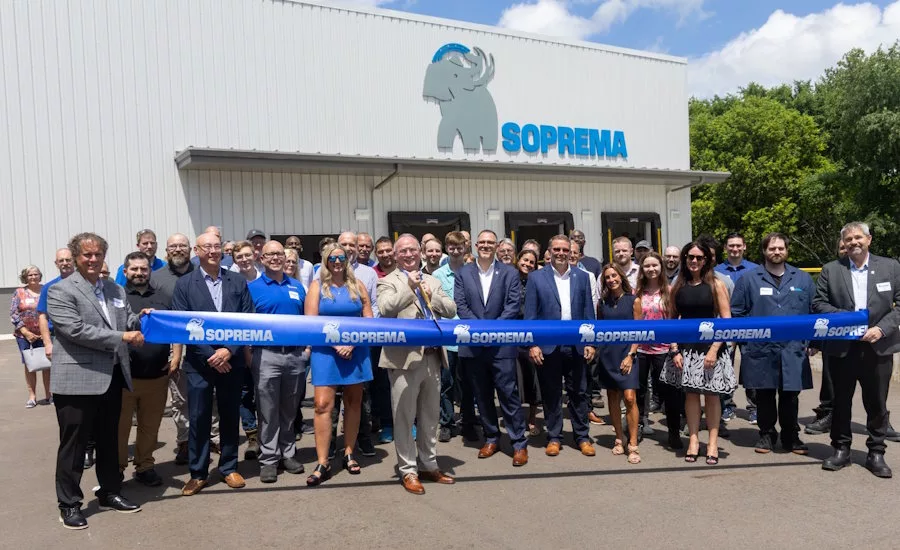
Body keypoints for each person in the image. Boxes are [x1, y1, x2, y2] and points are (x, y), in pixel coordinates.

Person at [47, 232, 146, 529]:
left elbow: (126, 320)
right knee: (74, 446)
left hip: (112, 378)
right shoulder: (60, 291)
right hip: (77, 380)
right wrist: (122, 336)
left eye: (98, 254)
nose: (93, 259)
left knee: (108, 442)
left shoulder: (115, 290)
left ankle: (110, 491)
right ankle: (69, 504)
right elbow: (75, 331)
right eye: (86, 255)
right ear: (76, 257)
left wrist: (143, 318)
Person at [813, 222, 900, 478]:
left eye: (858, 237)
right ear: (844, 243)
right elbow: (819, 304)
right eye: (848, 239)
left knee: (877, 403)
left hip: (878, 346)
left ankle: (876, 452)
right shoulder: (831, 270)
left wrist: (881, 329)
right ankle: (841, 449)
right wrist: (849, 321)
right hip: (842, 347)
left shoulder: (890, 267)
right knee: (840, 401)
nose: (853, 242)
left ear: (869, 239)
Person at [172, 231, 254, 496]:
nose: (212, 251)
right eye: (207, 247)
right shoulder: (185, 284)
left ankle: (229, 467)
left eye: (217, 246)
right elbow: (183, 326)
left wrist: (228, 352)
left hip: (232, 361)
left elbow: (247, 319)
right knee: (198, 418)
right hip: (199, 364)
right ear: (197, 250)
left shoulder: (237, 281)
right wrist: (211, 354)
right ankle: (198, 473)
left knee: (231, 415)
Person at [377, 234, 457, 494]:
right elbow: (386, 309)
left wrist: (431, 296)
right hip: (404, 359)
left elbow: (451, 308)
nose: (409, 255)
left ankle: (428, 464)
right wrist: (409, 288)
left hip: (433, 357)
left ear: (421, 253)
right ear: (396, 256)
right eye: (403, 251)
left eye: (413, 250)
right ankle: (408, 470)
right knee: (404, 416)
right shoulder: (387, 281)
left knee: (430, 416)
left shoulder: (433, 280)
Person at [731, 233, 814, 455]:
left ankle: (791, 437)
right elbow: (736, 313)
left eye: (780, 249)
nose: (776, 252)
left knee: (790, 395)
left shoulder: (803, 279)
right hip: (760, 348)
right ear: (764, 251)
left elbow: (813, 312)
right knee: (764, 395)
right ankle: (766, 435)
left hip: (792, 348)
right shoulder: (748, 279)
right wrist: (746, 343)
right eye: (772, 249)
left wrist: (812, 342)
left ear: (787, 250)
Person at [455, 230, 529, 467]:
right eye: (482, 243)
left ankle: (519, 443)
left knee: (508, 394)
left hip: (501, 345)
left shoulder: (509, 272)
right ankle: (492, 437)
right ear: (475, 245)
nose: (486, 246)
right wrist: (479, 331)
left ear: (496, 246)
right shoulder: (464, 272)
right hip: (474, 346)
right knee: (482, 395)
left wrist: (492, 330)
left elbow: (513, 305)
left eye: (490, 243)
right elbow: (461, 305)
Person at [658, 241, 735, 465]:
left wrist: (714, 349)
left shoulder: (717, 285)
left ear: (706, 260)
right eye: (690, 257)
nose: (694, 261)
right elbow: (671, 321)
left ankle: (711, 443)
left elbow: (726, 321)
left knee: (712, 397)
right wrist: (674, 350)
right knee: (690, 396)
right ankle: (693, 441)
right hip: (686, 351)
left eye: (698, 258)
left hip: (712, 350)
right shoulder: (677, 286)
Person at [304, 243, 374, 486]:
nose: (336, 262)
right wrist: (337, 345)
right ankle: (323, 461)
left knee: (353, 403)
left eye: (341, 257)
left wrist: (352, 344)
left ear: (347, 260)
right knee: (323, 405)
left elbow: (369, 321)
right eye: (332, 258)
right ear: (325, 261)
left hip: (356, 351)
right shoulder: (316, 287)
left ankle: (348, 452)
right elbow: (311, 323)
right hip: (326, 351)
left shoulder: (358, 285)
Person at [524, 235, 597, 457]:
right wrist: (533, 344)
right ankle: (554, 437)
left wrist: (591, 341)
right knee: (551, 393)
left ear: (572, 252)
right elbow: (530, 316)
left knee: (579, 392)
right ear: (549, 251)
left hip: (576, 344)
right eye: (557, 249)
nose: (561, 253)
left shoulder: (582, 278)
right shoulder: (536, 278)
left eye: (565, 250)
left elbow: (588, 313)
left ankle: (582, 437)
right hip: (548, 345)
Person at [151, 233, 219, 466]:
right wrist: (175, 353)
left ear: (191, 249)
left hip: (206, 341)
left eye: (182, 246)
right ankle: (184, 440)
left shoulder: (203, 272)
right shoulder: (155, 278)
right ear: (166, 251)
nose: (178, 249)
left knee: (210, 395)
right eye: (173, 246)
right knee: (180, 398)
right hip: (174, 343)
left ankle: (212, 437)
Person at [248, 241, 308, 483]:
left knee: (290, 408)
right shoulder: (251, 288)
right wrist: (249, 356)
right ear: (261, 259)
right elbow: (245, 325)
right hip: (266, 355)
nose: (275, 258)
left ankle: (288, 453)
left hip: (295, 355)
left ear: (286, 258)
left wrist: (307, 350)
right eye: (269, 254)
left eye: (279, 254)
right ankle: (269, 459)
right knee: (267, 409)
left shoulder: (297, 287)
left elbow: (307, 320)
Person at [119, 252, 172, 487]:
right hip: (124, 376)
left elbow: (174, 329)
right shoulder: (116, 298)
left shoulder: (162, 297)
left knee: (150, 427)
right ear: (125, 272)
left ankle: (145, 466)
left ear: (150, 271)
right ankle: (117, 468)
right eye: (134, 269)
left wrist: (176, 357)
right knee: (119, 428)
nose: (139, 273)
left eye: (144, 269)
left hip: (157, 375)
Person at [632, 252, 683, 450]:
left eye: (655, 265)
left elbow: (674, 321)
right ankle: (640, 426)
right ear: (642, 269)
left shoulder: (669, 291)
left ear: (661, 268)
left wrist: (674, 347)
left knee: (670, 393)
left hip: (664, 349)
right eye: (647, 266)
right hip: (642, 350)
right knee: (639, 391)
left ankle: (673, 432)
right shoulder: (637, 292)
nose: (651, 269)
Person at [432, 231, 477, 442]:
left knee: (468, 382)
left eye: (459, 247)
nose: (456, 251)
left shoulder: (472, 272)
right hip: (447, 336)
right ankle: (447, 422)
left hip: (469, 335)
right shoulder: (438, 275)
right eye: (451, 247)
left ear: (465, 249)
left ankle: (468, 422)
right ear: (446, 248)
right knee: (447, 383)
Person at [336, 231, 379, 456]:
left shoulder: (369, 274)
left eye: (352, 244)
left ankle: (363, 439)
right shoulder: (321, 273)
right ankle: (335, 443)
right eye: (344, 244)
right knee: (331, 400)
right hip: (330, 345)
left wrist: (355, 341)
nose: (349, 248)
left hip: (360, 343)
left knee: (362, 396)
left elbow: (372, 307)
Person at [596, 263, 641, 463]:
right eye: (607, 277)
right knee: (612, 396)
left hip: (627, 353)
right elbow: (599, 329)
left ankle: (633, 443)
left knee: (630, 398)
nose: (611, 280)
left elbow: (639, 331)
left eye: (614, 276)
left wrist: (631, 354)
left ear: (621, 277)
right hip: (608, 354)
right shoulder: (602, 303)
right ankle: (618, 437)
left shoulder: (634, 300)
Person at [805, 238, 847, 436]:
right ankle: (827, 414)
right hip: (835, 336)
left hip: (869, 337)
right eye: (842, 247)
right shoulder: (830, 271)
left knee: (874, 388)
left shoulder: (877, 270)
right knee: (830, 382)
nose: (847, 250)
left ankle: (882, 420)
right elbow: (818, 304)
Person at [11, 265, 51, 407]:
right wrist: (26, 333)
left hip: (45, 334)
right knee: (30, 365)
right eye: (30, 275)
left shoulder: (46, 290)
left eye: (36, 274)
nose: (33, 277)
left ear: (40, 275)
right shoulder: (19, 292)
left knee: (48, 365)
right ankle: (32, 396)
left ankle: (48, 395)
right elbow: (14, 314)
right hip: (25, 336)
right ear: (25, 277)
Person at [514, 249, 541, 435]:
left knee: (533, 379)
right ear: (518, 260)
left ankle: (532, 418)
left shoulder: (537, 281)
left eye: (532, 262)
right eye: (525, 260)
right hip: (513, 336)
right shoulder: (510, 280)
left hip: (533, 334)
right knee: (516, 380)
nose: (528, 264)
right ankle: (518, 419)